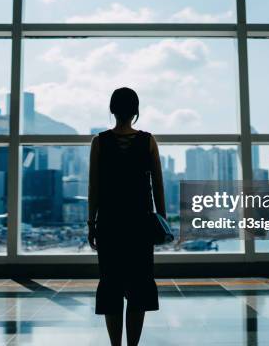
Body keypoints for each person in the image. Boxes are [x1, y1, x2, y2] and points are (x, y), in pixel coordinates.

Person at [87, 87, 167, 346]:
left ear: (112, 110)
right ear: (136, 111)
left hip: (110, 223)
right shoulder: (148, 141)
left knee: (110, 285)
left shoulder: (99, 142)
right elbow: (158, 184)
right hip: (140, 224)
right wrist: (162, 220)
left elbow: (94, 187)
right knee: (139, 287)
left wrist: (92, 223)